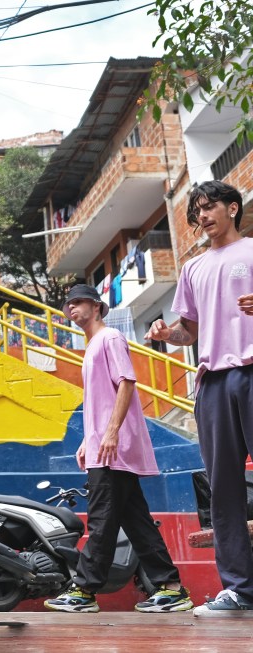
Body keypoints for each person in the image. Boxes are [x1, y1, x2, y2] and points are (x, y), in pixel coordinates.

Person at [44, 284, 192, 614]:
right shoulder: (92, 346)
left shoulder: (109, 338)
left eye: (78, 302)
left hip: (114, 450)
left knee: (101, 520)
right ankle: (171, 588)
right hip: (105, 448)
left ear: (97, 307)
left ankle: (83, 590)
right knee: (136, 521)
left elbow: (126, 382)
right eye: (68, 304)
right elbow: (100, 402)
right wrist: (89, 440)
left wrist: (110, 434)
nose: (71, 308)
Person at [146, 180, 253, 616]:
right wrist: (165, 333)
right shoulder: (193, 268)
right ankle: (240, 590)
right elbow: (187, 330)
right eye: (197, 211)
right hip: (212, 382)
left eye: (210, 208)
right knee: (222, 489)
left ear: (233, 208)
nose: (203, 216)